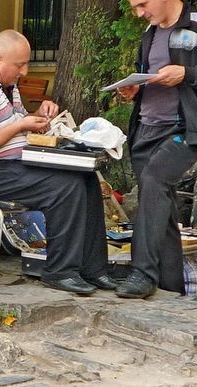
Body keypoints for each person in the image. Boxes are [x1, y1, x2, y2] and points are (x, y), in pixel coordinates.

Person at [0, 29, 118, 295]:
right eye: (20, 65)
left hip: (7, 165)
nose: (25, 71)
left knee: (85, 178)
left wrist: (36, 116)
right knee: (64, 186)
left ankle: (93, 268)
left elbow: (14, 123)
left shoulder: (3, 84)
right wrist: (21, 125)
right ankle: (60, 271)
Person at [115, 0, 197, 298]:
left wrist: (186, 74)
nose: (139, 13)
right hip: (146, 128)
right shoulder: (149, 33)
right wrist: (135, 89)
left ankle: (142, 273)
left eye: (143, 4)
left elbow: (187, 77)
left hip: (184, 129)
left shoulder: (195, 24)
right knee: (160, 208)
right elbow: (147, 76)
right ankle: (171, 288)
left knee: (154, 179)